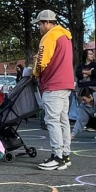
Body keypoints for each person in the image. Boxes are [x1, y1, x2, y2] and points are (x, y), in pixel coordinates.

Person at [32, 9, 76, 171]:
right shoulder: (65, 36)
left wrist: (34, 72)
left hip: (53, 84)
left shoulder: (49, 36)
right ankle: (65, 154)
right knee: (63, 120)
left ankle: (57, 156)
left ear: (46, 23)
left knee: (52, 121)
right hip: (66, 83)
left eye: (39, 24)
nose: (39, 28)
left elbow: (42, 61)